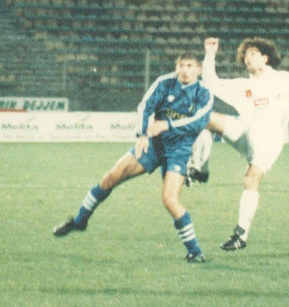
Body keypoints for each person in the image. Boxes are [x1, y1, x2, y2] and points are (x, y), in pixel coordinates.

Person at [53, 52, 214, 263]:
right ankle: (79, 221)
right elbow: (145, 107)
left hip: (179, 149)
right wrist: (142, 135)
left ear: (198, 70)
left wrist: (167, 124)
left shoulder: (204, 93)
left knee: (170, 200)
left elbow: (199, 121)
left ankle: (195, 251)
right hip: (154, 144)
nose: (184, 70)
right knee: (111, 176)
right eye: (181, 65)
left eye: (190, 66)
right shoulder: (165, 83)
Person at [190, 37, 289, 251]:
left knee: (250, 180)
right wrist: (210, 55)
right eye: (245, 55)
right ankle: (201, 169)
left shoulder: (284, 80)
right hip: (243, 131)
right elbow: (212, 83)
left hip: (268, 140)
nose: (247, 58)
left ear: (265, 58)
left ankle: (240, 235)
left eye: (253, 53)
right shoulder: (242, 86)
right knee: (203, 119)